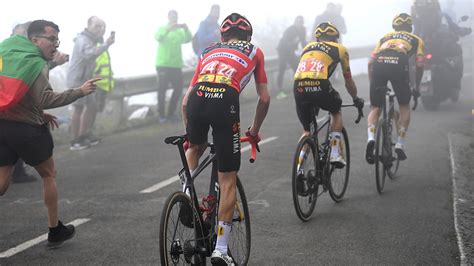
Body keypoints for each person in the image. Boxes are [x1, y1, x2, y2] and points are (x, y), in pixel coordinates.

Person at [0, 19, 99, 247]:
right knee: (48, 174)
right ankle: (55, 231)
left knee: (3, 183)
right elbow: (44, 98)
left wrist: (38, 112)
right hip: (27, 130)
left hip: (3, 125)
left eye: (57, 39)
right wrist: (79, 91)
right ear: (35, 40)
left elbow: (12, 92)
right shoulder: (36, 63)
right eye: (51, 39)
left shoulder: (10, 53)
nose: (55, 45)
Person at [182, 13, 270, 265]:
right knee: (228, 178)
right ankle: (221, 249)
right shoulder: (254, 52)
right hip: (225, 101)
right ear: (247, 36)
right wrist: (253, 132)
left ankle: (185, 193)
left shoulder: (208, 51)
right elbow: (264, 98)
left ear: (223, 35)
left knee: (195, 148)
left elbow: (186, 100)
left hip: (198, 99)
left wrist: (191, 136)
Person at [293, 22, 364, 168]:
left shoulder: (307, 47)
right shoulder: (340, 49)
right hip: (319, 85)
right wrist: (355, 98)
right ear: (335, 39)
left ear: (318, 39)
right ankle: (335, 152)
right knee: (335, 110)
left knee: (308, 131)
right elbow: (348, 81)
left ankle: (299, 169)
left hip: (298, 86)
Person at [10, 21, 69, 183]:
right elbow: (32, 72)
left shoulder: (11, 51)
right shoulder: (16, 53)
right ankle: (19, 171)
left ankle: (17, 171)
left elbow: (32, 73)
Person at [366, 13, 425, 163]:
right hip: (399, 64)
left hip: (379, 63)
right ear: (410, 28)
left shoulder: (384, 38)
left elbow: (369, 63)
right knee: (404, 106)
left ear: (394, 27)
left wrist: (373, 83)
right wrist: (416, 86)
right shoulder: (417, 40)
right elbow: (419, 64)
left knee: (375, 107)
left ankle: (371, 137)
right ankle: (400, 142)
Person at [67, 16, 115, 150]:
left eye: (103, 27)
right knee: (78, 108)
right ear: (88, 26)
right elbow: (89, 54)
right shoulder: (83, 39)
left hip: (86, 79)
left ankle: (84, 135)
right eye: (97, 26)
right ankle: (75, 141)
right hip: (77, 80)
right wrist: (107, 44)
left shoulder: (92, 40)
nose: (101, 29)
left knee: (92, 106)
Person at [155, 10, 192, 123]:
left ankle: (171, 114)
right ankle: (161, 115)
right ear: (168, 17)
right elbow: (158, 37)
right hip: (163, 64)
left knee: (178, 89)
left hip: (176, 65)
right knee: (162, 90)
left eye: (175, 16)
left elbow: (188, 39)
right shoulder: (163, 28)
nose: (174, 18)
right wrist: (168, 29)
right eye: (172, 16)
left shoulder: (179, 31)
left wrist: (186, 29)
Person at [276, 15, 306, 100]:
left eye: (301, 22)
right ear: (295, 22)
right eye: (298, 22)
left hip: (291, 51)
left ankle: (299, 88)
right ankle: (280, 91)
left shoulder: (303, 30)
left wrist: (309, 48)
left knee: (297, 69)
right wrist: (292, 47)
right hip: (282, 50)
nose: (300, 24)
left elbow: (303, 42)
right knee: (282, 68)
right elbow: (285, 41)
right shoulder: (290, 30)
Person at [93, 40, 115, 113]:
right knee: (94, 109)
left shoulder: (103, 48)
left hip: (105, 84)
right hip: (98, 84)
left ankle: (96, 123)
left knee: (99, 109)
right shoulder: (96, 47)